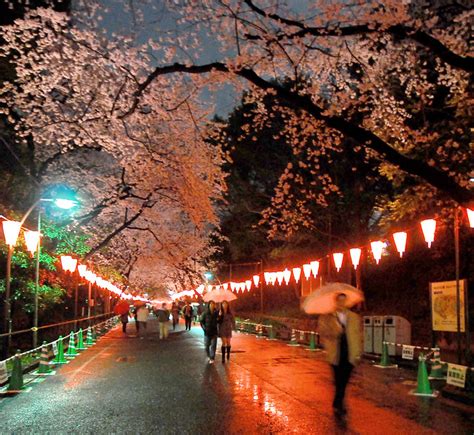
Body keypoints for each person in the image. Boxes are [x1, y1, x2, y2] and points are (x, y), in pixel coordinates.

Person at [318, 293, 361, 416]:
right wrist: (336, 330)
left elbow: (358, 335)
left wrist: (358, 352)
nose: (342, 303)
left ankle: (338, 400)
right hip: (335, 353)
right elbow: (323, 332)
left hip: (350, 352)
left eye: (344, 301)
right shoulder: (327, 317)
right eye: (339, 301)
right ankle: (339, 403)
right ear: (336, 302)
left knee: (345, 380)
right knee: (338, 379)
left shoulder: (353, 317)